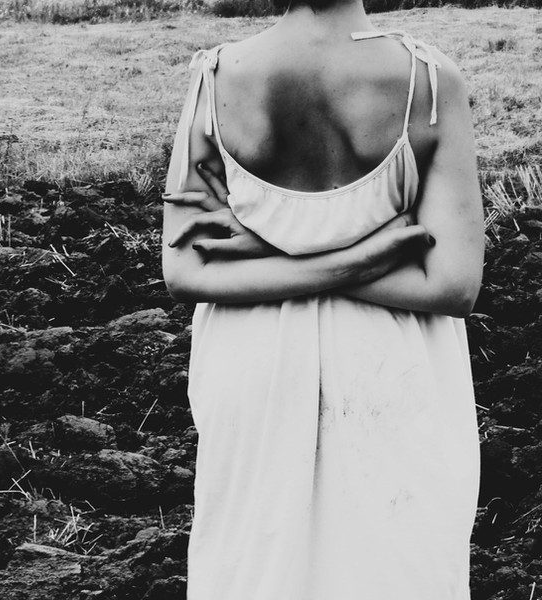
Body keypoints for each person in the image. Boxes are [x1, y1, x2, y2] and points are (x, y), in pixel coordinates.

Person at [161, 0, 484, 595]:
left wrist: (270, 245)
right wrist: (360, 257)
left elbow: (184, 270)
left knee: (259, 568)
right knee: (394, 566)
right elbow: (452, 284)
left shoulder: (217, 78)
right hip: (391, 365)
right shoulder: (429, 82)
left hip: (254, 363)